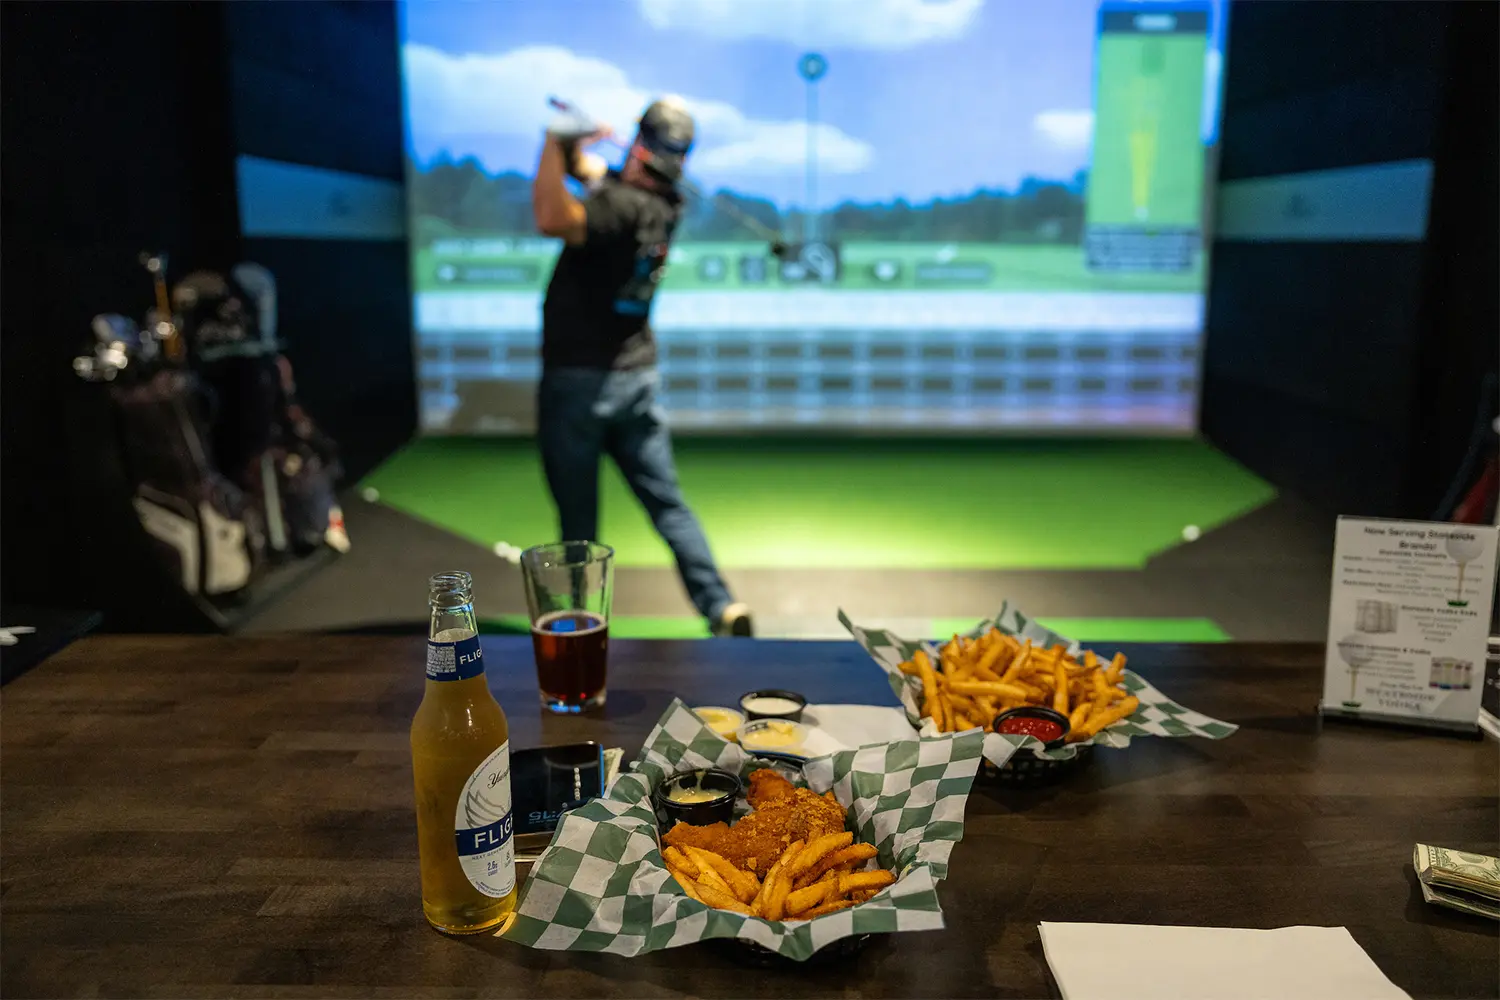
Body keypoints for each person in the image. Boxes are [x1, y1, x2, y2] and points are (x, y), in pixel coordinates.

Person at [531, 97, 753, 637]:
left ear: (641, 147)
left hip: (579, 384)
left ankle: (580, 628)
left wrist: (553, 140)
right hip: (636, 379)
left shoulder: (617, 207)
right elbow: (592, 173)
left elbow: (552, 216)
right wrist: (577, 145)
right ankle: (720, 605)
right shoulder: (666, 203)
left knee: (578, 525)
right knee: (667, 504)